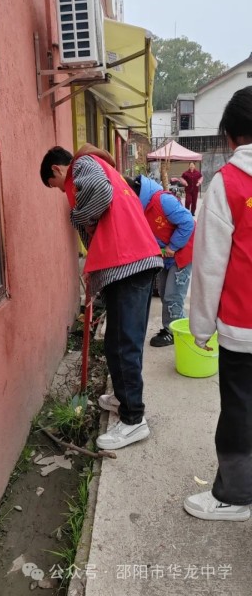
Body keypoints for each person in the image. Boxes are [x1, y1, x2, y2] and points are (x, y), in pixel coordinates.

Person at [40, 144, 163, 450]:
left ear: (57, 170)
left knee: (125, 345)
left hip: (129, 263)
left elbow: (100, 195)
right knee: (115, 342)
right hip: (130, 261)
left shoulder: (83, 165)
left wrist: (75, 216)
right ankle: (123, 398)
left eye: (56, 187)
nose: (62, 192)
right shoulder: (104, 168)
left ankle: (134, 420)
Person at [184, 86, 252, 521]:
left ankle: (235, 496)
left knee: (240, 411)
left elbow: (209, 265)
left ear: (229, 137)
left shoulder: (228, 183)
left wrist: (201, 328)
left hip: (244, 326)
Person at [125, 175, 195, 347]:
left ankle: (172, 332)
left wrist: (173, 246)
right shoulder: (139, 207)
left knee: (173, 295)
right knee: (164, 292)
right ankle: (175, 324)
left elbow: (188, 223)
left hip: (182, 253)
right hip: (165, 255)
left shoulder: (162, 200)